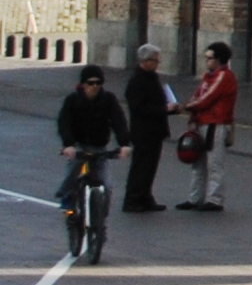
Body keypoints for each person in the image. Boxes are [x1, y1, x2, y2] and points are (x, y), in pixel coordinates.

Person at [53, 64, 121, 254]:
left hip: (100, 147)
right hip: (79, 145)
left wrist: (124, 144)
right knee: (74, 167)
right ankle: (66, 197)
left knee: (106, 186)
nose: (95, 87)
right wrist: (68, 145)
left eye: (98, 83)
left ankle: (99, 224)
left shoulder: (108, 100)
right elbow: (64, 123)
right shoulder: (73, 100)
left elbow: (118, 121)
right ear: (82, 84)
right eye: (90, 83)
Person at [174, 41, 236, 210]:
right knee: (198, 163)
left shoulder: (224, 76)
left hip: (216, 124)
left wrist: (187, 107)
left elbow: (207, 98)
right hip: (203, 123)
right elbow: (198, 95)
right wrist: (193, 118)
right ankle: (195, 198)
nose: (206, 61)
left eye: (209, 58)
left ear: (219, 59)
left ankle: (215, 200)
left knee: (214, 164)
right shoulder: (208, 76)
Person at [117, 47, 170, 215]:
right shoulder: (137, 81)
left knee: (150, 167)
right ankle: (133, 198)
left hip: (155, 130)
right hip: (143, 131)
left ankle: (145, 197)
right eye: (155, 60)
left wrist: (169, 108)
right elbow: (139, 108)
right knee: (141, 167)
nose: (157, 63)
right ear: (145, 61)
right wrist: (164, 108)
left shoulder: (151, 78)